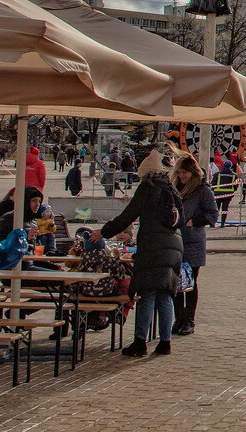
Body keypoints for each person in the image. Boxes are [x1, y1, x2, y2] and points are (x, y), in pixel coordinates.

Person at [90, 150, 184, 357]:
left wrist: (103, 232)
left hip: (152, 247)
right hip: (174, 247)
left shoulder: (148, 189)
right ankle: (165, 342)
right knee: (165, 295)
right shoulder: (172, 189)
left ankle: (140, 342)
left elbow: (128, 215)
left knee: (147, 294)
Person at [172, 150, 217, 337]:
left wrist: (194, 221)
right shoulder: (174, 188)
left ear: (193, 173)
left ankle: (189, 320)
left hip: (193, 242)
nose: (182, 176)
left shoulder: (202, 190)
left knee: (189, 282)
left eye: (185, 172)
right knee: (174, 283)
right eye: (180, 172)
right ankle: (178, 318)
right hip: (175, 240)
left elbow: (212, 214)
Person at [211, 156, 239, 227]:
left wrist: (214, 191)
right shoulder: (234, 175)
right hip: (228, 195)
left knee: (216, 209)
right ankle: (222, 224)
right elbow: (236, 186)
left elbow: (213, 184)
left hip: (218, 194)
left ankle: (213, 223)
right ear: (231, 166)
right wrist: (233, 192)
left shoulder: (217, 174)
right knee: (225, 209)